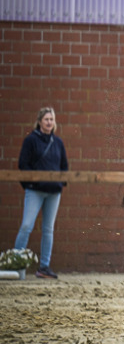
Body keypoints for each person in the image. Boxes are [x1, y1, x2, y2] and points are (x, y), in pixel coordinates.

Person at [14, 107, 68, 279]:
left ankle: (44, 267)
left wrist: (60, 183)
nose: (49, 122)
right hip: (35, 191)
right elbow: (23, 164)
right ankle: (15, 263)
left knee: (48, 229)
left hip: (53, 192)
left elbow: (64, 166)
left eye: (51, 119)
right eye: (46, 119)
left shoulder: (58, 142)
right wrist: (31, 184)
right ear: (39, 121)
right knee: (26, 226)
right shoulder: (31, 140)